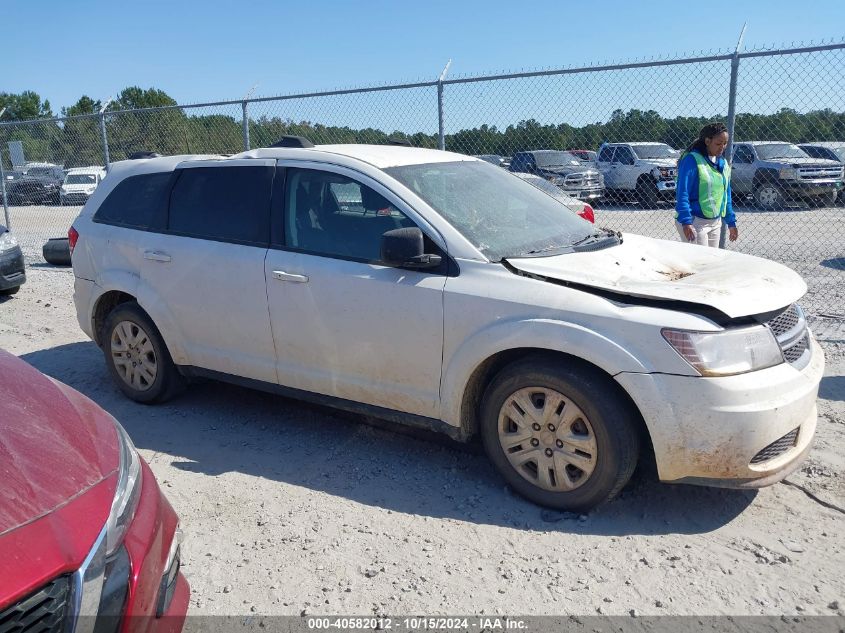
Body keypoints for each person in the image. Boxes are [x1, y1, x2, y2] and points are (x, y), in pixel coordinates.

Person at [675, 122, 738, 247]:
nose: (722, 147)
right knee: (699, 262)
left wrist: (731, 222)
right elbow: (682, 192)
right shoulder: (692, 160)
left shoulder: (723, 163)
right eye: (718, 143)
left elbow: (726, 195)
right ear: (707, 141)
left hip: (715, 222)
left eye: (725, 143)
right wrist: (686, 222)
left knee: (711, 261)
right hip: (695, 221)